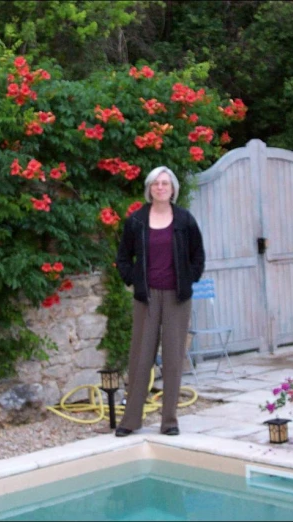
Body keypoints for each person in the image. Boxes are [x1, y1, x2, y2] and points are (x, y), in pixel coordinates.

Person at [114, 166, 205, 437]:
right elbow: (122, 258)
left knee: (174, 359)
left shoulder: (184, 220)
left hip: (177, 297)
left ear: (173, 189)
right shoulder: (137, 221)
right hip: (147, 297)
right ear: (149, 188)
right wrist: (133, 280)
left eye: (165, 183)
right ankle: (130, 421)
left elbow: (198, 256)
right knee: (140, 358)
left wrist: (189, 279)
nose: (161, 188)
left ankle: (170, 421)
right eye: (156, 183)